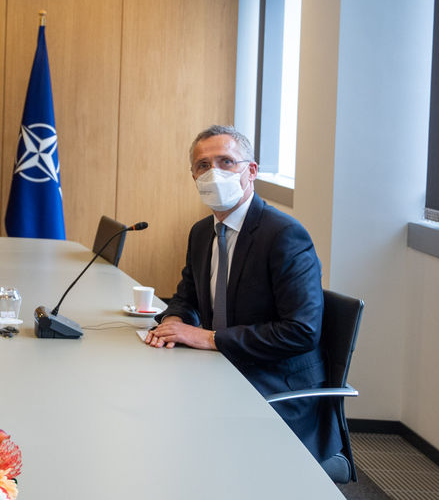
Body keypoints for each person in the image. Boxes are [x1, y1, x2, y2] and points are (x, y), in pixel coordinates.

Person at [144, 125, 346, 477]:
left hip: (279, 386)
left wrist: (209, 338)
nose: (213, 172)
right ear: (193, 176)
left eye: (226, 161)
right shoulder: (201, 232)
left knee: (179, 427)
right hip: (226, 370)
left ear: (251, 171)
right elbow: (186, 295)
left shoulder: (283, 235)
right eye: (203, 165)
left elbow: (301, 331)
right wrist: (174, 322)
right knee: (151, 400)